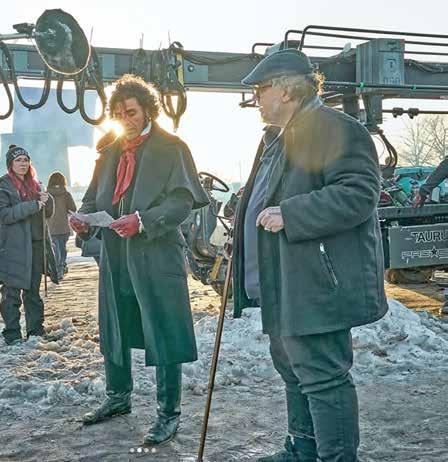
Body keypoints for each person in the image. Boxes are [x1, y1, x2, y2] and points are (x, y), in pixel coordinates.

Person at [232, 50, 388, 462]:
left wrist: (291, 213)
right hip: (284, 281)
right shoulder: (276, 138)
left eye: (260, 89)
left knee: (323, 377)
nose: (255, 99)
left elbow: (359, 194)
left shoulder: (337, 128)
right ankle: (302, 450)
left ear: (285, 90)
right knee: (292, 370)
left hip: (317, 283)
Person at [69, 74, 208, 445]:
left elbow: (182, 202)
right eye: (118, 113)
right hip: (116, 256)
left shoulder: (172, 148)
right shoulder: (109, 151)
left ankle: (168, 413)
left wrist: (143, 221)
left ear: (147, 110)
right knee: (114, 325)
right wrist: (83, 220)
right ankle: (118, 396)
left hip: (157, 255)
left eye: (130, 112)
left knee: (163, 329)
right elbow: (93, 198)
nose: (125, 119)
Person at [0, 145, 58, 345]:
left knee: (33, 291)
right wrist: (32, 206)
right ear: (10, 164)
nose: (23, 164)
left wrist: (47, 201)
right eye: (18, 160)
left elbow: (47, 214)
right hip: (13, 247)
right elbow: (4, 215)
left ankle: (36, 331)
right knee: (11, 292)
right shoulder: (3, 186)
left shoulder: (36, 184)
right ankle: (12, 333)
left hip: (36, 245)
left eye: (25, 160)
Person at [47, 171, 77, 279]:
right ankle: (61, 266)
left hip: (50, 227)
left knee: (55, 248)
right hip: (64, 227)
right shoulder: (66, 194)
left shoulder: (46, 195)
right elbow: (73, 209)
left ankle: (58, 268)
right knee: (62, 248)